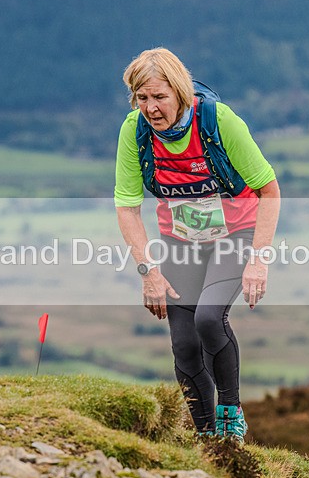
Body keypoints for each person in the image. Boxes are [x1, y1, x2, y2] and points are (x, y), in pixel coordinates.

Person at [114, 48, 280, 441]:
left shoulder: (218, 121)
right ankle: (206, 437)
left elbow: (269, 191)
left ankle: (230, 418)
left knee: (208, 318)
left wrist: (258, 260)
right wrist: (148, 272)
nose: (151, 108)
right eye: (142, 97)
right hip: (181, 241)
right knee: (185, 344)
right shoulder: (134, 131)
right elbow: (127, 207)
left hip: (235, 235)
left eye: (160, 97)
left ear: (181, 92)